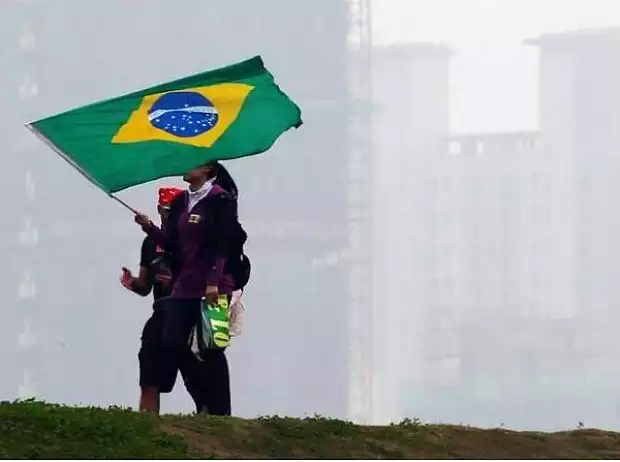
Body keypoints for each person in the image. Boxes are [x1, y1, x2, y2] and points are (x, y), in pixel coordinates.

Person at [134, 161, 238, 416]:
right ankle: (204, 400)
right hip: (185, 287)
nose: (185, 166)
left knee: (211, 347)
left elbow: (223, 244)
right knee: (172, 341)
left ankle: (219, 411)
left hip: (214, 286)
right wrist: (148, 227)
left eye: (193, 163)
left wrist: (213, 281)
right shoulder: (181, 201)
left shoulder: (219, 199)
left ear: (206, 170)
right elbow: (171, 242)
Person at [120, 186, 207, 414]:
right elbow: (145, 286)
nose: (171, 215)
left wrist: (179, 281)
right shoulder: (150, 243)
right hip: (162, 311)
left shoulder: (194, 240)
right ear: (160, 210)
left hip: (189, 313)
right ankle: (147, 423)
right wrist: (133, 282)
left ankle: (209, 420)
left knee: (196, 373)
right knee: (149, 366)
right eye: (167, 210)